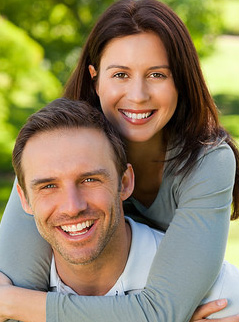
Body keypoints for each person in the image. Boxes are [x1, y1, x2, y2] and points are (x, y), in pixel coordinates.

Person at [0, 0, 239, 322]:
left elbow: (160, 312)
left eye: (156, 74)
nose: (138, 95)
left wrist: (15, 305)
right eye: (121, 75)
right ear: (95, 78)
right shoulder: (50, 149)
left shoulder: (208, 160)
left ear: (180, 81)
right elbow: (11, 290)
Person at [0, 98, 239, 322]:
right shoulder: (10, 285)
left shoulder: (216, 296)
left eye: (90, 180)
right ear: (25, 200)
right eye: (49, 186)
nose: (73, 207)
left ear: (124, 183)